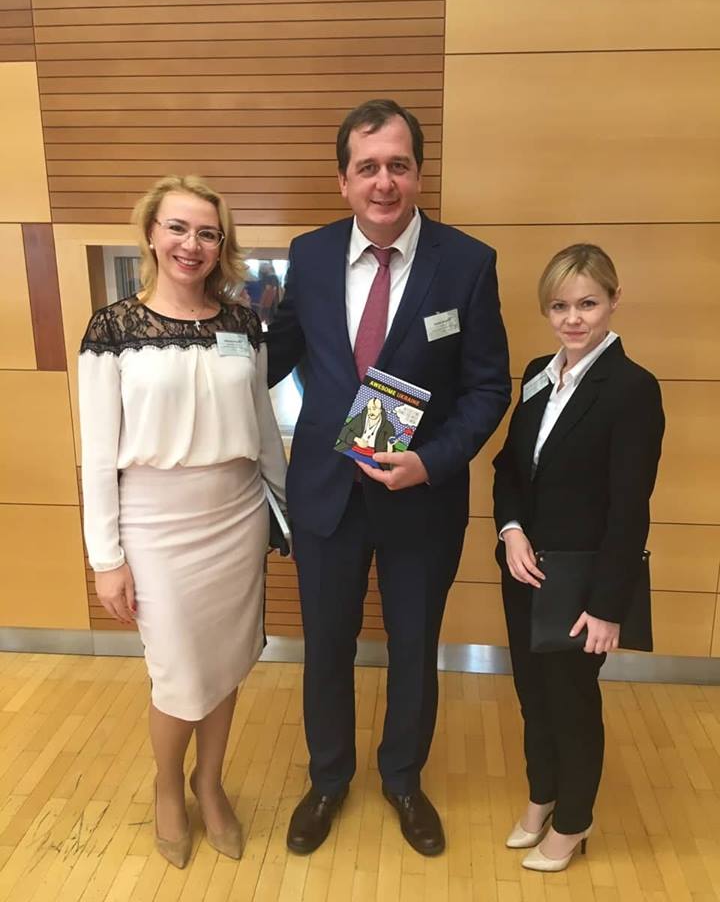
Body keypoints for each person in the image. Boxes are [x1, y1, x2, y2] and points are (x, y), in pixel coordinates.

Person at [267, 99, 510, 856]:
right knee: (326, 648)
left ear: (419, 174)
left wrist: (432, 461)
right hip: (326, 496)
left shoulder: (466, 263)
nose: (384, 182)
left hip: (421, 498)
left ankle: (403, 779)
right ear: (343, 180)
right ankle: (328, 779)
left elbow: (488, 388)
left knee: (413, 649)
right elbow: (276, 357)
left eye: (398, 165)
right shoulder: (309, 256)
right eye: (367, 167)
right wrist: (195, 357)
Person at [78, 175, 287, 869]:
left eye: (206, 233)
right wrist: (106, 558)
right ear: (150, 233)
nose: (191, 244)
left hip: (236, 517)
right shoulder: (113, 329)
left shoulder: (243, 324)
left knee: (224, 664)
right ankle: (169, 786)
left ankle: (210, 781)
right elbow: (96, 453)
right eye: (177, 228)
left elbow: (262, 428)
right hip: (155, 526)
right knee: (176, 673)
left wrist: (288, 510)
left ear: (221, 245)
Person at [492, 244, 664, 872]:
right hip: (525, 569)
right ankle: (542, 795)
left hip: (582, 583)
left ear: (614, 301)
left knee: (572, 702)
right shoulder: (540, 371)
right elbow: (509, 467)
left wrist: (607, 606)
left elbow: (629, 508)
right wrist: (511, 529)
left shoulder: (633, 389)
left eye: (587, 304)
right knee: (532, 695)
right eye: (559, 305)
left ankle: (573, 820)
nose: (572, 319)